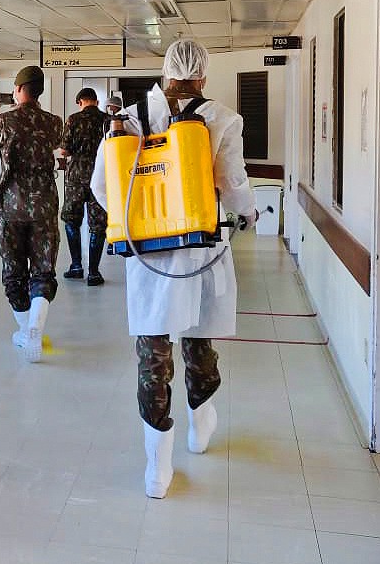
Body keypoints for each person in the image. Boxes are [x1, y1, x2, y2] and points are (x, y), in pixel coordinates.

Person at [92, 39, 258, 499]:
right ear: (202, 75)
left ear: (165, 72)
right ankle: (200, 426)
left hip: (148, 259)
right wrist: (248, 213)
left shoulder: (126, 119)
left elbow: (101, 187)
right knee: (198, 340)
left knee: (153, 355)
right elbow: (233, 182)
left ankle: (157, 469)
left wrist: (138, 221)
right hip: (201, 254)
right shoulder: (221, 118)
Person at [0, 65, 63, 363]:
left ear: (21, 89)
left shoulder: (3, 122)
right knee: (43, 271)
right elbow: (61, 148)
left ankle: (25, 331)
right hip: (45, 206)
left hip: (11, 208)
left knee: (14, 273)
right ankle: (35, 328)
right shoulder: (54, 123)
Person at [59, 87, 109, 286]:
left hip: (76, 178)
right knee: (98, 225)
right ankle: (94, 272)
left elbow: (64, 150)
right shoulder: (107, 120)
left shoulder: (73, 120)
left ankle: (76, 266)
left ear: (80, 102)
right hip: (101, 177)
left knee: (71, 220)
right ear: (96, 102)